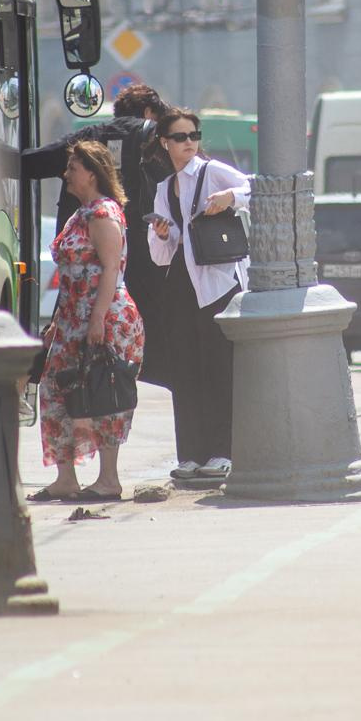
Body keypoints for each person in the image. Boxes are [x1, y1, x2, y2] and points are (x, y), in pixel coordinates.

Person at [21, 84, 173, 401]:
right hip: (147, 266)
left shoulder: (87, 140)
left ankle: (86, 406)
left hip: (83, 281)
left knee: (80, 359)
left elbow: (32, 163)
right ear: (149, 114)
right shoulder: (158, 139)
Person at [31, 141, 146, 503]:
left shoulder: (102, 213)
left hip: (106, 317)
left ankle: (108, 480)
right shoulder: (79, 213)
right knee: (53, 391)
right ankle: (66, 478)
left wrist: (96, 320)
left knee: (103, 392)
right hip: (71, 320)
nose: (67, 174)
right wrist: (58, 321)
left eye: (73, 167)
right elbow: (71, 273)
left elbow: (111, 268)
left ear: (92, 173)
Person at [146, 107, 250, 485]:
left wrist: (230, 197)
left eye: (194, 135)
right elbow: (163, 254)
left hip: (219, 284)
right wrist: (160, 233)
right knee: (185, 371)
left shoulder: (212, 171)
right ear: (164, 143)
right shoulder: (163, 189)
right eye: (180, 137)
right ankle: (190, 454)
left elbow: (257, 188)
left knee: (218, 368)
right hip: (181, 286)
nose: (189, 143)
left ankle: (223, 451)